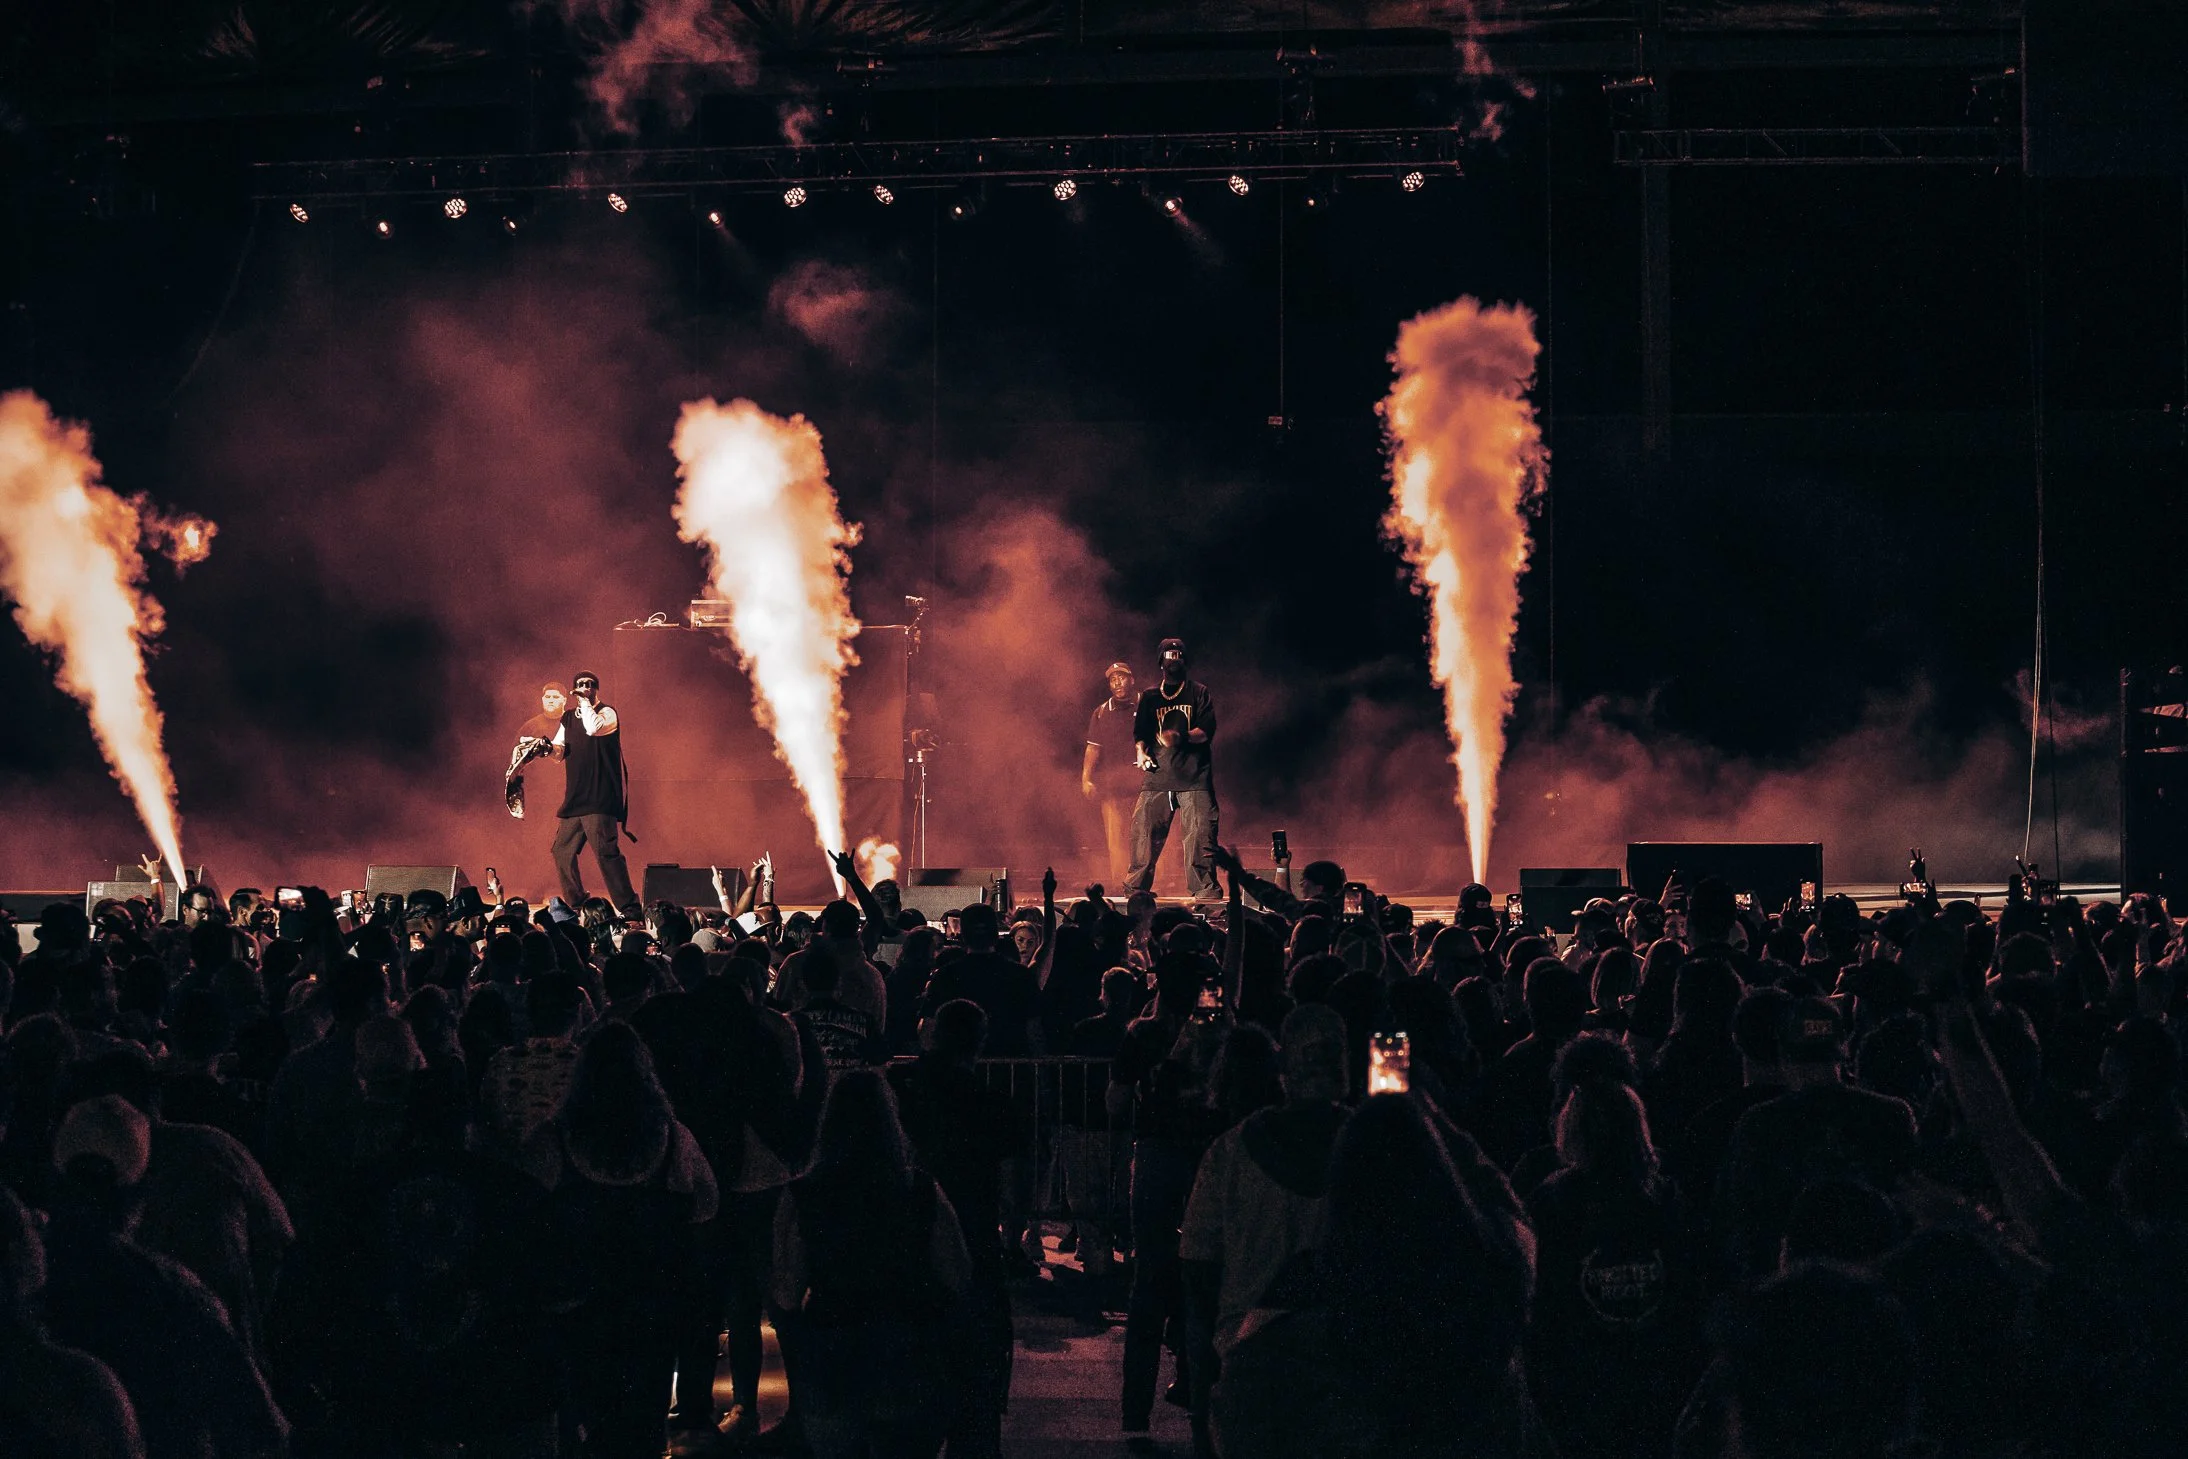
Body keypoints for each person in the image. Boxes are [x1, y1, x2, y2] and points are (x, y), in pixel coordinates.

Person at [772, 1070, 972, 1459]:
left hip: (834, 1348)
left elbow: (785, 1292)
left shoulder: (801, 1194)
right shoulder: (920, 1189)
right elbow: (958, 1273)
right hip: (907, 1345)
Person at [1126, 637, 1221, 904]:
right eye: (1169, 654)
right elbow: (1140, 734)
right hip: (1157, 778)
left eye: (1179, 653)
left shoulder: (1199, 692)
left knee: (1200, 837)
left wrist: (1180, 737)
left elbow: (1206, 732)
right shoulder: (1150, 696)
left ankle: (1205, 896)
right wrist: (1141, 752)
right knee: (1143, 835)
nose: (1174, 657)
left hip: (1195, 779)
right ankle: (1136, 893)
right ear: (1161, 661)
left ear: (1185, 659)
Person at [548, 669, 639, 916]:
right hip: (576, 798)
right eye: (580, 684)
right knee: (561, 850)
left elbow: (592, 729)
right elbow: (559, 751)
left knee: (605, 853)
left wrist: (586, 703)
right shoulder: (568, 718)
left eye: (590, 684)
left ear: (596, 689)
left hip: (600, 797)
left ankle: (629, 908)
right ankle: (577, 904)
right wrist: (543, 748)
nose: (585, 687)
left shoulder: (606, 713)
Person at [1083, 660, 1141, 887]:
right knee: (1115, 838)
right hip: (1113, 785)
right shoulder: (1101, 712)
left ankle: (1151, 882)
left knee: (1146, 835)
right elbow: (1093, 748)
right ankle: (1120, 883)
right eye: (1112, 679)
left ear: (1132, 679)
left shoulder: (1146, 704)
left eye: (1122, 677)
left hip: (1143, 783)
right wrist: (1086, 778)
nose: (1118, 682)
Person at [505, 681, 567, 819]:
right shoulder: (531, 726)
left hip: (566, 789)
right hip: (537, 792)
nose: (551, 700)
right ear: (542, 699)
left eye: (556, 697)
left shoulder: (572, 722)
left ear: (564, 700)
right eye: (548, 697)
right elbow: (514, 758)